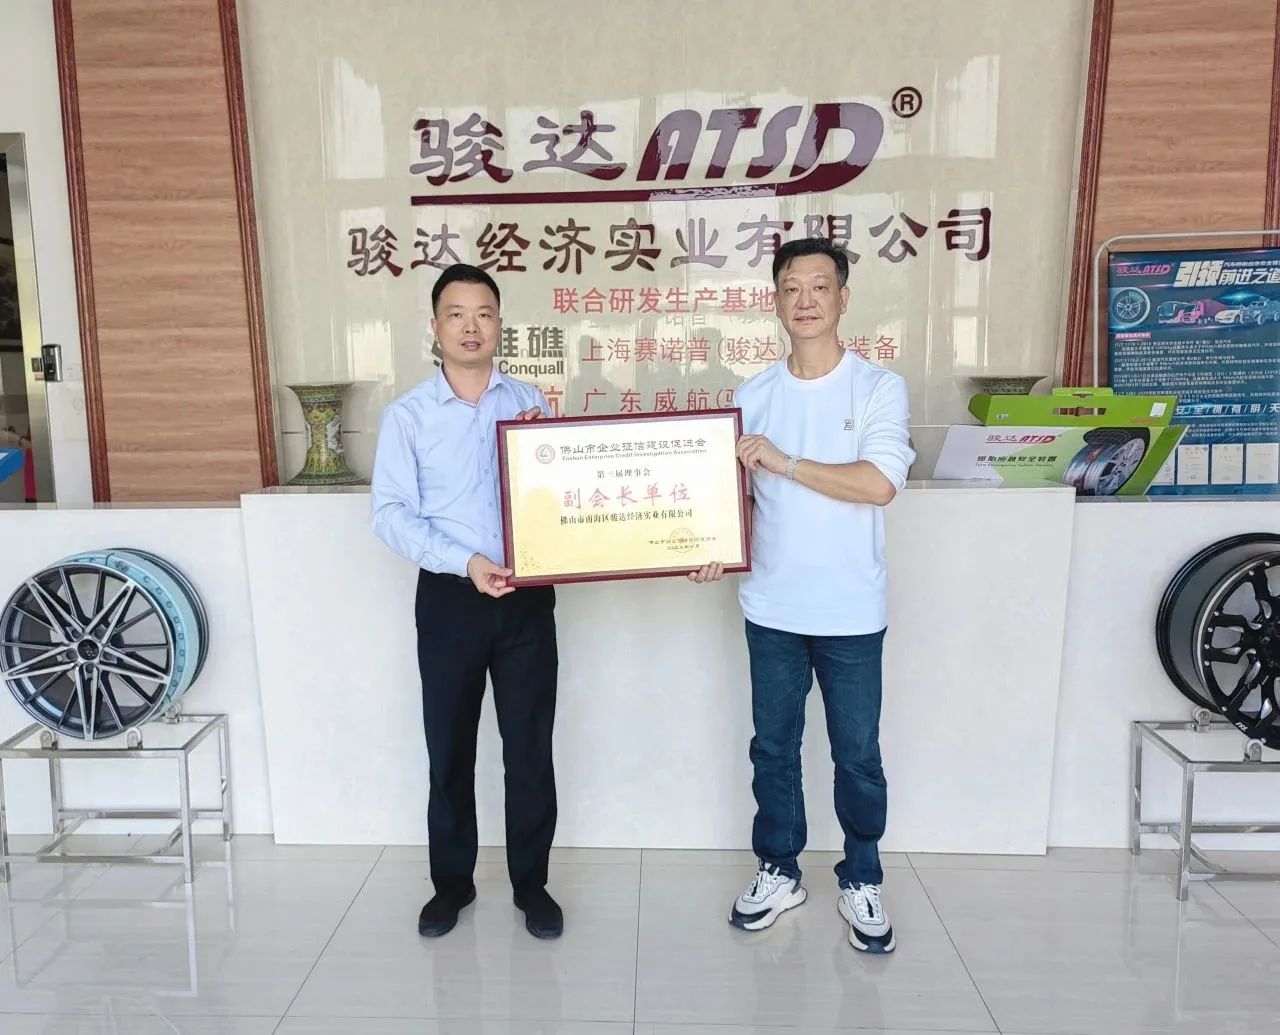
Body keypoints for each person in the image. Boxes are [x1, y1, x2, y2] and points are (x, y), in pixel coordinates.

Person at [691, 237, 914, 954]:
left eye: (820, 286)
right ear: (776, 302)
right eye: (791, 287)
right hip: (772, 607)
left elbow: (878, 483)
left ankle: (863, 876)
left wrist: (785, 462)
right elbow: (732, 501)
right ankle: (779, 869)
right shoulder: (752, 396)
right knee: (773, 749)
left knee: (858, 754)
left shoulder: (877, 387)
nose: (805, 299)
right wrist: (707, 545)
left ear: (843, 298)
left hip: (851, 610)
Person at [370, 263, 564, 940]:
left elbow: (559, 497)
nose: (471, 326)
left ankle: (532, 885)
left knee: (529, 747)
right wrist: (468, 563)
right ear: (435, 326)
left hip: (527, 598)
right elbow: (390, 515)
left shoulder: (529, 401)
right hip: (451, 599)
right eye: (456, 314)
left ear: (500, 324)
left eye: (484, 313)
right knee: (449, 747)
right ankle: (451, 885)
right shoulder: (408, 416)